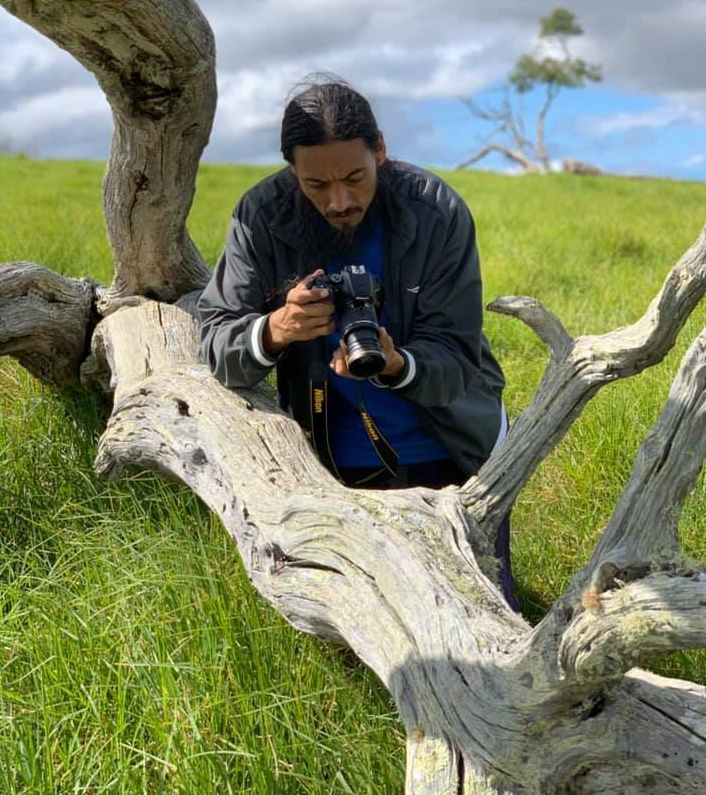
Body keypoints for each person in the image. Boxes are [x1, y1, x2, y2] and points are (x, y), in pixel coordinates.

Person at [196, 76, 517, 609]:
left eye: (354, 177)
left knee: (486, 611)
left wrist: (395, 364)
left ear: (381, 151)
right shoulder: (261, 214)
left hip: (454, 451)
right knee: (365, 626)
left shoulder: (436, 209)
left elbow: (457, 356)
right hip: (329, 463)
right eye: (316, 185)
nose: (339, 201)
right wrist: (278, 329)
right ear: (291, 170)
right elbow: (214, 339)